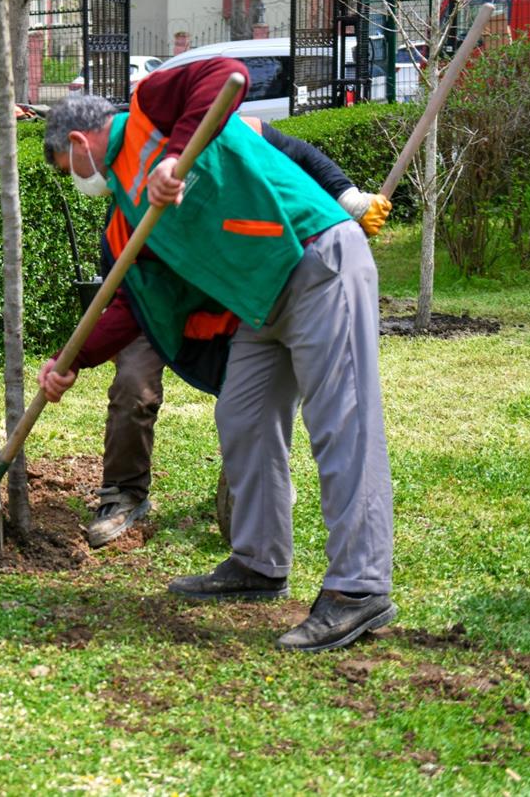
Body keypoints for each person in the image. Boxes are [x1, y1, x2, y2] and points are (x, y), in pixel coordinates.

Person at [38, 59, 396, 652]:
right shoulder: (125, 210)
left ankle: (359, 590)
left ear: (79, 143)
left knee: (342, 423)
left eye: (65, 169)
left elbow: (227, 74)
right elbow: (133, 302)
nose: (76, 180)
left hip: (315, 258)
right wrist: (70, 358)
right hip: (258, 301)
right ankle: (259, 563)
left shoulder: (153, 106)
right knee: (242, 416)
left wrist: (176, 157)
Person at [85, 120, 393, 548]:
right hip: (158, 306)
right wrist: (81, 353)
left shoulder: (222, 131)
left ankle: (250, 479)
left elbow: (299, 154)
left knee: (247, 397)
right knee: (132, 385)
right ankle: (125, 493)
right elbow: (123, 292)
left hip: (231, 296)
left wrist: (349, 197)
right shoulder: (126, 197)